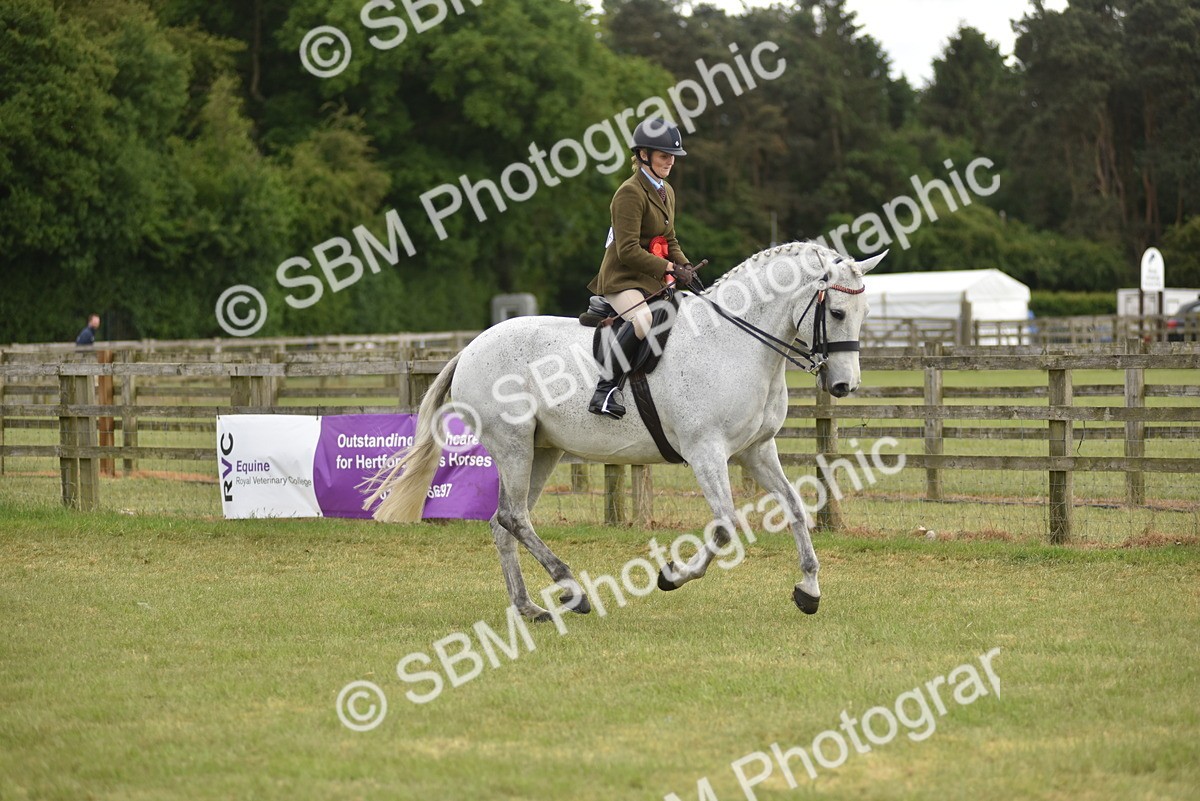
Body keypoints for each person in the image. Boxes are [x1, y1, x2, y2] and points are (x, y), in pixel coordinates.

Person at [585, 118, 697, 418]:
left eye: (673, 156)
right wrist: (669, 267)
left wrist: (685, 265)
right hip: (621, 279)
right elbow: (628, 250)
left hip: (648, 279)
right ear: (644, 155)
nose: (670, 161)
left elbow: (669, 238)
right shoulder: (629, 193)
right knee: (644, 319)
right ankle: (605, 390)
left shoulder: (666, 191)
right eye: (664, 155)